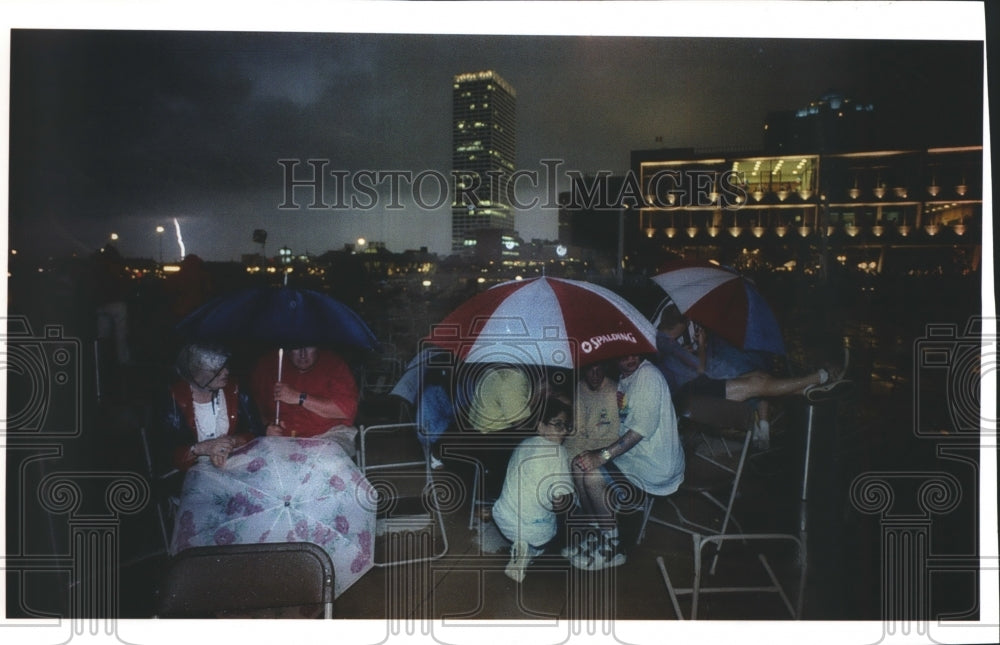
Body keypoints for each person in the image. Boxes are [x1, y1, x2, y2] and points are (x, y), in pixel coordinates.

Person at [652, 301, 850, 448]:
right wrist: (702, 347)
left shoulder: (661, 340)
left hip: (697, 384)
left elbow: (678, 362)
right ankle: (821, 377)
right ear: (680, 324)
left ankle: (807, 389)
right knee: (758, 382)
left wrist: (686, 353)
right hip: (696, 391)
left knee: (759, 375)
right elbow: (699, 369)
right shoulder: (665, 342)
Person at [567, 354, 685, 571]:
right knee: (578, 464)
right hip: (634, 459)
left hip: (655, 466)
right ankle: (597, 532)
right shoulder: (625, 380)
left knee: (593, 475)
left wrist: (600, 456)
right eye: (622, 356)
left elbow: (638, 432)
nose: (630, 359)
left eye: (634, 353)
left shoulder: (648, 376)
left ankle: (614, 547)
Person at [491, 396, 575, 583]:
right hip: (534, 531)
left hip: (503, 519)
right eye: (557, 425)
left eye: (566, 426)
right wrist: (568, 498)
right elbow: (561, 503)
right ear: (540, 426)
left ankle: (520, 547)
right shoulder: (559, 452)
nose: (563, 432)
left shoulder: (523, 444)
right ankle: (531, 551)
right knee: (564, 520)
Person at [162, 343, 264, 471]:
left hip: (234, 466)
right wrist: (201, 449)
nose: (226, 372)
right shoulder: (173, 398)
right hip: (189, 474)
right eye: (216, 370)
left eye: (225, 365)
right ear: (195, 372)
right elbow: (166, 454)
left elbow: (257, 432)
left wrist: (232, 442)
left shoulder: (236, 388)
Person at [250, 345, 360, 456]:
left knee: (324, 460)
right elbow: (256, 406)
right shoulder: (268, 365)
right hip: (282, 438)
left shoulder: (334, 364)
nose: (303, 355)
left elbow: (347, 410)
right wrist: (266, 427)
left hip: (328, 434)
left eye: (309, 347)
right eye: (296, 347)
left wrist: (300, 398)